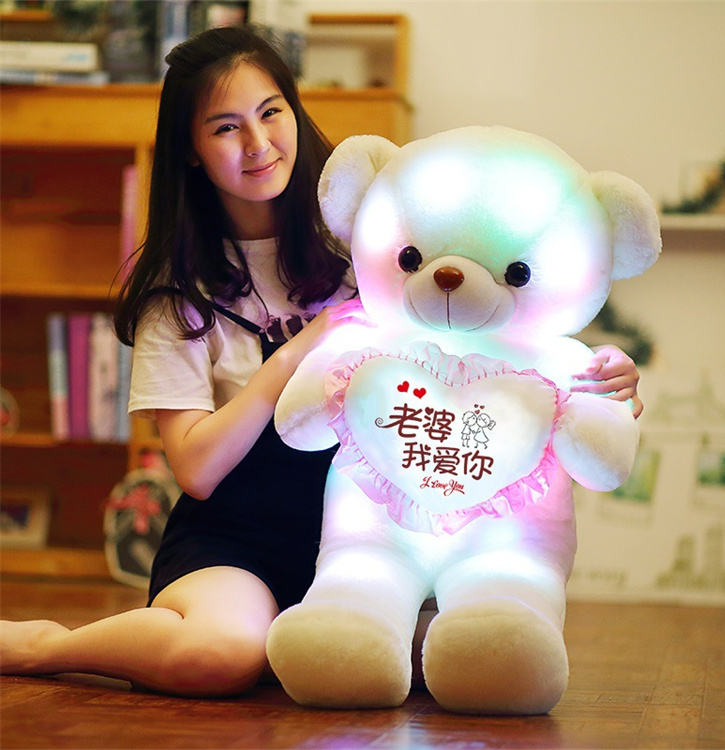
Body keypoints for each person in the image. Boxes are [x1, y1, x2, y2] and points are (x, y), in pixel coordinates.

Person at [0, 25, 642, 698]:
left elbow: (489, 339)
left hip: (374, 535)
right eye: (226, 128)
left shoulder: (367, 249)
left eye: (271, 112)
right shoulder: (179, 299)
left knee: (462, 654)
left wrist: (600, 383)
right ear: (191, 150)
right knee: (222, 655)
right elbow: (195, 469)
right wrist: (292, 358)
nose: (258, 143)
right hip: (237, 543)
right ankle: (48, 646)